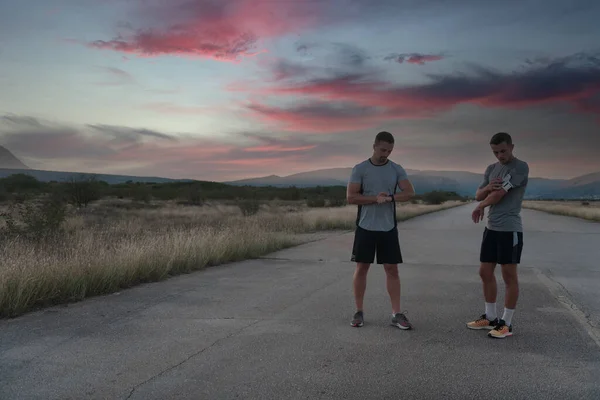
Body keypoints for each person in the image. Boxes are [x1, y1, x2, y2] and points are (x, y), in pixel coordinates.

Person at [346, 131, 416, 330]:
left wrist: (391, 198)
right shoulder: (360, 168)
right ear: (374, 146)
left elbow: (409, 193)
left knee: (392, 269)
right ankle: (359, 312)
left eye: (390, 150)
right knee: (362, 268)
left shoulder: (396, 169)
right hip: (365, 226)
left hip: (388, 227)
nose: (386, 153)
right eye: (383, 149)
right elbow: (351, 197)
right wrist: (374, 199)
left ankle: (396, 313)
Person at [468, 132, 529, 339]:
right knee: (485, 272)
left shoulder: (520, 167)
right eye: (496, 152)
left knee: (509, 276)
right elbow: (478, 193)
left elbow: (500, 194)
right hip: (491, 229)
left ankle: (506, 324)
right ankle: (490, 317)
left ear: (512, 146)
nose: (500, 155)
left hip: (509, 229)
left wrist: (481, 204)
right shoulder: (491, 169)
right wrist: (485, 189)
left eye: (503, 151)